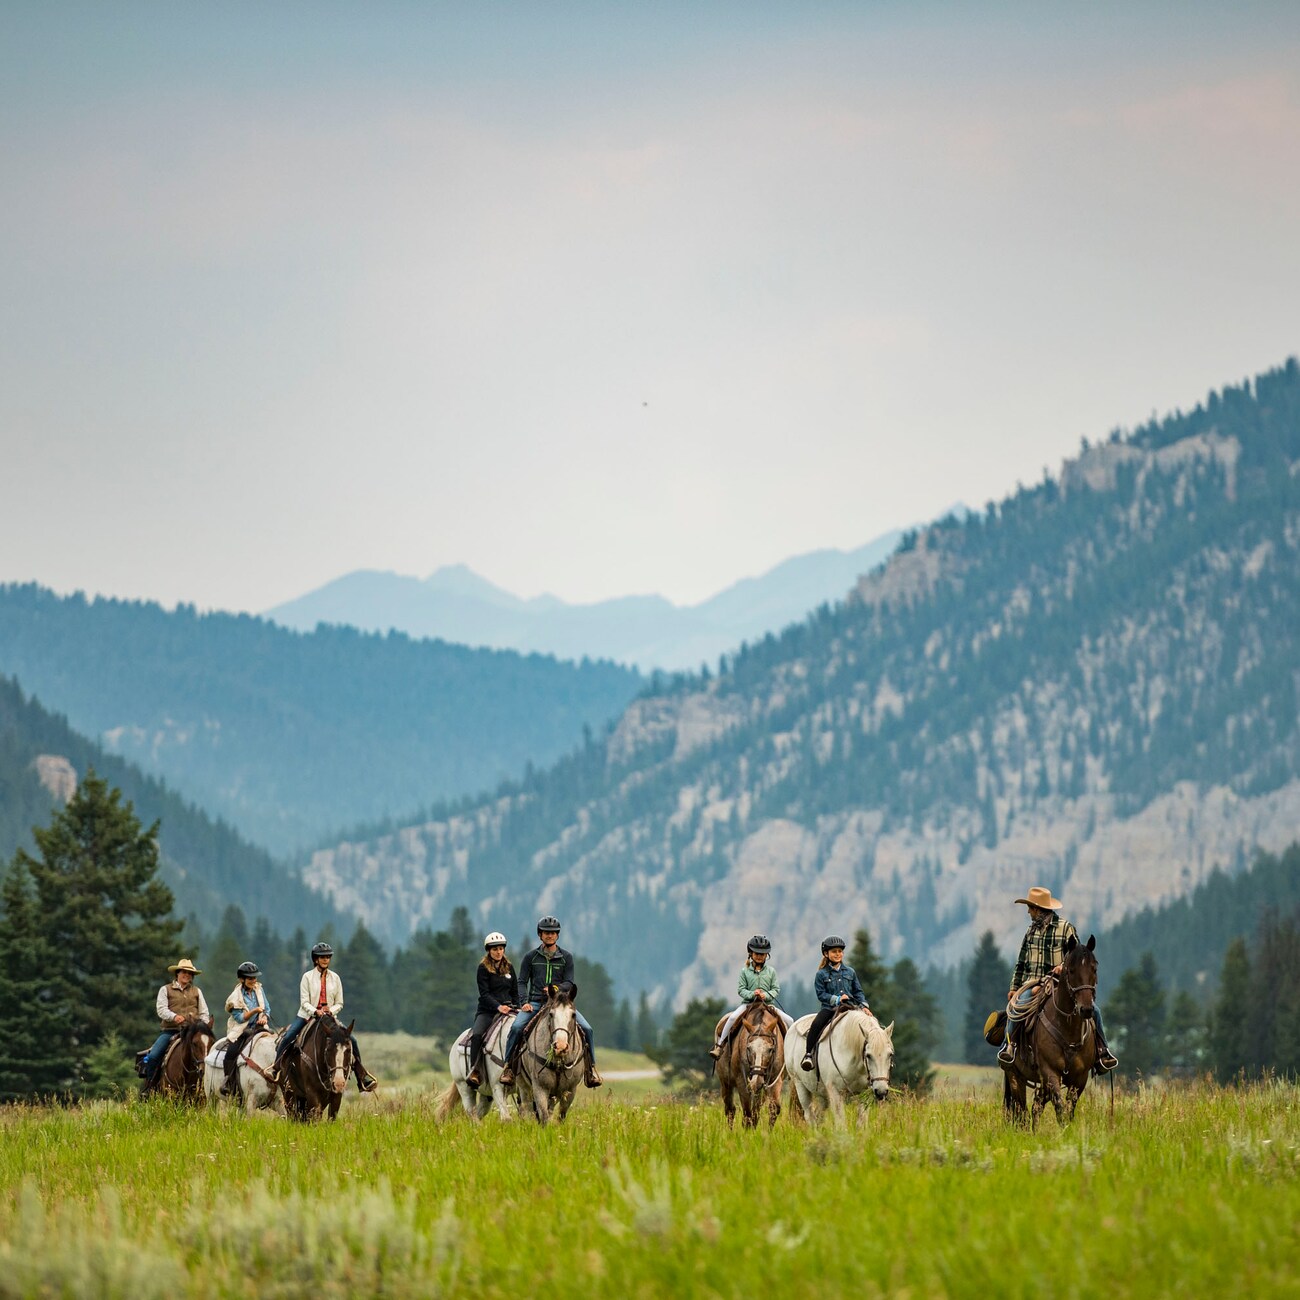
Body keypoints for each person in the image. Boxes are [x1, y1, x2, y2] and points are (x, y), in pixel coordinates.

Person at [998, 887, 1118, 1072]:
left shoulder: (1065, 928)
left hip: (1058, 982)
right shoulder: (1030, 932)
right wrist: (1014, 987)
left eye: (1030, 907)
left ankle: (1102, 1051)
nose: (1028, 911)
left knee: (1094, 1011)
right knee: (1015, 1008)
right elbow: (1020, 963)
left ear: (1038, 908)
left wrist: (1063, 966)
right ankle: (1010, 1047)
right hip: (1031, 983)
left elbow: (1079, 956)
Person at [499, 915, 602, 1089]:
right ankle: (509, 1067)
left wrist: (556, 988)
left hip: (560, 1004)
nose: (550, 936)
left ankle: (590, 1070)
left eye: (553, 933)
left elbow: (569, 982)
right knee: (516, 1028)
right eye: (546, 933)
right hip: (535, 1003)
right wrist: (524, 1002)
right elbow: (522, 981)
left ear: (557, 935)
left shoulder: (566, 958)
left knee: (587, 1029)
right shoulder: (530, 957)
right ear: (540, 935)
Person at [271, 941, 379, 1092]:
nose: (325, 959)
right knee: (289, 1036)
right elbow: (304, 1002)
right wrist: (316, 1011)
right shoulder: (307, 977)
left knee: (351, 1040)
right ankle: (276, 1068)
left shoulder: (336, 978)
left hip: (329, 1017)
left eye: (328, 957)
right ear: (315, 959)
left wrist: (330, 1011)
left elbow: (340, 1003)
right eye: (322, 957)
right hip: (307, 1016)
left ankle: (361, 1075)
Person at [709, 934, 794, 1059]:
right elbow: (741, 990)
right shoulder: (745, 971)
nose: (759, 956)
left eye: (762, 954)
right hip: (749, 1004)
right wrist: (752, 994)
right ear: (751, 953)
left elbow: (776, 989)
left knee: (790, 1021)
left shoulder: (771, 972)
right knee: (732, 1018)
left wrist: (765, 995)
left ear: (767, 955)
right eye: (756, 953)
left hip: (767, 1005)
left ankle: (791, 1049)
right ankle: (720, 1045)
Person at [140, 957, 210, 1093]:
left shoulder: (197, 991)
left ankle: (207, 1088)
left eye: (189, 973)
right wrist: (174, 1017)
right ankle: (150, 1087)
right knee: (154, 1056)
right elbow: (161, 1009)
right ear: (177, 973)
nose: (186, 975)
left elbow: (204, 1012)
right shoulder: (165, 989)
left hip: (192, 1032)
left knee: (207, 1055)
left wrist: (203, 1026)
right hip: (171, 1031)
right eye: (184, 972)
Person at [800, 935, 869, 1072]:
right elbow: (821, 994)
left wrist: (864, 1007)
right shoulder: (821, 974)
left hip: (851, 1008)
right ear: (826, 954)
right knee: (816, 1025)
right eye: (834, 951)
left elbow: (858, 992)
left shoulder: (850, 972)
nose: (838, 954)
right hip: (829, 1009)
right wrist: (837, 999)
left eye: (840, 951)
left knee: (869, 1026)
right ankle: (808, 1054)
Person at [466, 931, 519, 1088]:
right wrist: (498, 1006)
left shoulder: (509, 967)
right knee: (476, 1035)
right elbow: (484, 994)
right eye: (495, 949)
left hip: (510, 1009)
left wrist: (517, 1006)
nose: (498, 952)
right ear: (489, 951)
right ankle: (475, 1070)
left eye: (501, 949)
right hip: (488, 1011)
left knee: (523, 1031)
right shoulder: (483, 969)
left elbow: (515, 992)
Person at [220, 960, 271, 1096]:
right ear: (242, 979)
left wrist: (264, 1016)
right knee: (231, 1052)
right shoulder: (234, 998)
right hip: (241, 1030)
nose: (253, 980)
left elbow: (267, 1007)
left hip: (260, 1027)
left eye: (254, 977)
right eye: (250, 978)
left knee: (276, 1044)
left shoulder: (259, 990)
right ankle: (228, 1081)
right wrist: (254, 1011)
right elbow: (240, 1018)